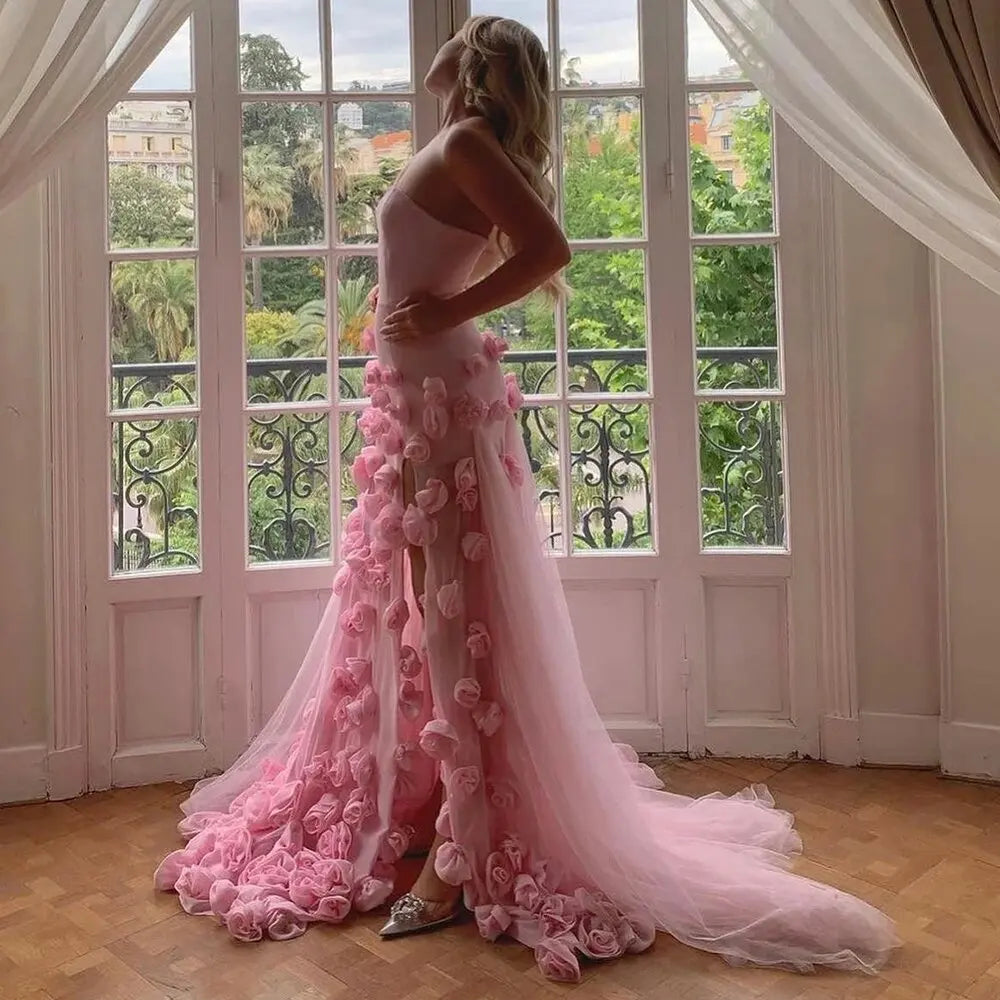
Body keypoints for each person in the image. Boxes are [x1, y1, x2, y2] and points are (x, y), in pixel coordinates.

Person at [155, 15, 899, 982]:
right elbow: (438, 115)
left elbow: (550, 250)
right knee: (430, 619)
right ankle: (444, 815)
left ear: (485, 71)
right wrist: (466, 51)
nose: (448, 50)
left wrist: (444, 312)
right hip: (418, 404)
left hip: (443, 408)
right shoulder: (455, 133)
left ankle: (463, 862)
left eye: (466, 41)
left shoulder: (467, 143)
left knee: (461, 629)